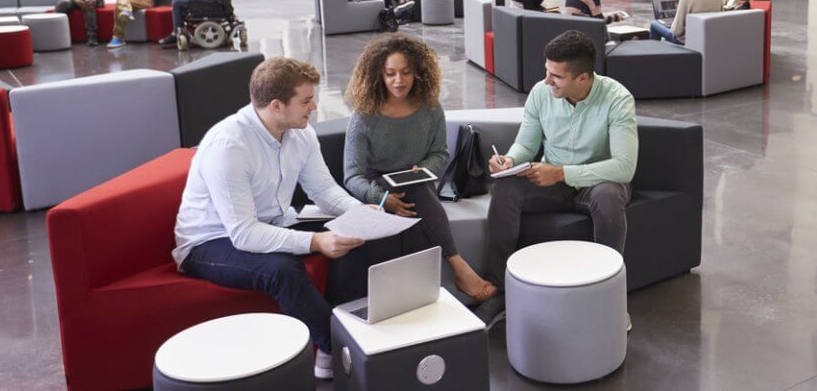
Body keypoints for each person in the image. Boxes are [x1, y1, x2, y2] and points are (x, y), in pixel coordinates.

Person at [173, 58, 369, 380]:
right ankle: (338, 345)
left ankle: (334, 341)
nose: (314, 106)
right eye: (306, 101)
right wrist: (316, 241)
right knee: (282, 268)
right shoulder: (230, 145)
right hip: (210, 242)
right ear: (277, 105)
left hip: (273, 222)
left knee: (355, 235)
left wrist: (357, 212)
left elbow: (323, 189)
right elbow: (244, 235)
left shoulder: (300, 134)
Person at [473, 30, 638, 328]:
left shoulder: (617, 99)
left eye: (556, 77)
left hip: (597, 182)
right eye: (547, 72)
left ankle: (610, 299)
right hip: (552, 182)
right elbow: (527, 144)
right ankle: (497, 292)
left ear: (583, 79)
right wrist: (510, 160)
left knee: (608, 196)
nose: (547, 81)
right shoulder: (540, 93)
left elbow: (624, 167)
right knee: (506, 187)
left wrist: (562, 173)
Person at [342, 34, 497, 301]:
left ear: (418, 74)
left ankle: (408, 298)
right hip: (378, 185)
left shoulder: (430, 108)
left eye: (406, 72)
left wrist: (424, 169)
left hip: (417, 182)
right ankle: (458, 269)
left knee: (416, 191)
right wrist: (382, 199)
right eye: (390, 73)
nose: (398, 81)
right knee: (416, 196)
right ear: (379, 74)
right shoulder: (364, 115)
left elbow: (439, 154)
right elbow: (352, 176)